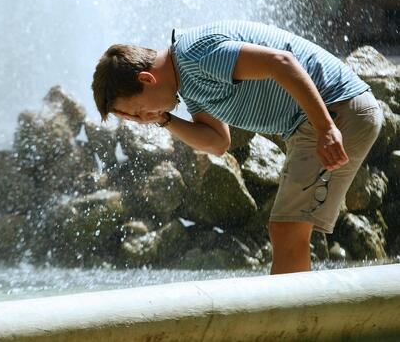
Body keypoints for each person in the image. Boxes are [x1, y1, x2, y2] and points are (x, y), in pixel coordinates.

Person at [91, 20, 383, 274]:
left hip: (336, 110)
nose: (141, 121)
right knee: (288, 231)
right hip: (317, 120)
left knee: (287, 230)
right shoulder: (187, 80)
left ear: (146, 79)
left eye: (136, 112)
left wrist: (326, 128)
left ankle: (290, 330)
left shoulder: (196, 57)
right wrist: (165, 120)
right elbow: (218, 142)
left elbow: (281, 62)